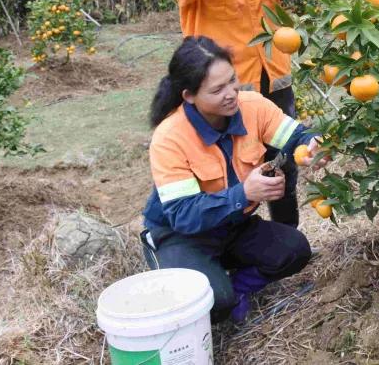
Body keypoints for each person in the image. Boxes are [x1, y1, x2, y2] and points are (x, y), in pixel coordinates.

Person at [161, 0, 311, 227]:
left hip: (272, 75)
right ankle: (230, 244)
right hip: (223, 88)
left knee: (284, 162)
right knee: (226, 171)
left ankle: (284, 238)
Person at [140, 36, 327, 323]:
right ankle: (200, 278)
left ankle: (238, 287)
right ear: (189, 95)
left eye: (232, 80)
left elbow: (295, 136)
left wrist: (312, 142)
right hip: (184, 236)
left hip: (233, 227)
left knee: (295, 251)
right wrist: (244, 193)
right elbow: (182, 215)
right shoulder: (170, 137)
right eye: (217, 89)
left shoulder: (252, 106)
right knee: (210, 303)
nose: (231, 93)